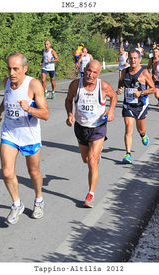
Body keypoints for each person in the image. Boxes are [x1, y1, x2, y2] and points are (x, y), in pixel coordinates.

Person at [0, 53, 49, 224]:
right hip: (10, 133)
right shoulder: (7, 82)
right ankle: (16, 204)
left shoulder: (33, 85)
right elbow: (7, 98)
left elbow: (45, 114)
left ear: (25, 69)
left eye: (16, 69)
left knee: (34, 172)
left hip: (29, 136)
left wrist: (30, 109)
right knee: (6, 172)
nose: (12, 73)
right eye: (9, 68)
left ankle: (39, 199)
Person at [65, 60, 117, 208]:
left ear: (98, 74)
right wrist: (69, 114)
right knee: (86, 159)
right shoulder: (76, 85)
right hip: (81, 127)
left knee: (93, 161)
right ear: (85, 69)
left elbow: (114, 97)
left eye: (94, 72)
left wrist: (111, 111)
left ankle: (90, 195)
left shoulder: (103, 86)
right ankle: (95, 154)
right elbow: (68, 100)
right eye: (89, 71)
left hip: (98, 127)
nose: (91, 74)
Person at [117, 50, 159, 164]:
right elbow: (120, 82)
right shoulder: (124, 72)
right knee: (128, 128)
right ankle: (128, 154)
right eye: (131, 58)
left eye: (135, 58)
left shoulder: (144, 72)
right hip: (128, 105)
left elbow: (153, 89)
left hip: (141, 105)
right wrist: (120, 89)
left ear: (139, 59)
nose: (133, 60)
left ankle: (143, 135)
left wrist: (141, 93)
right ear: (128, 59)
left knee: (140, 129)